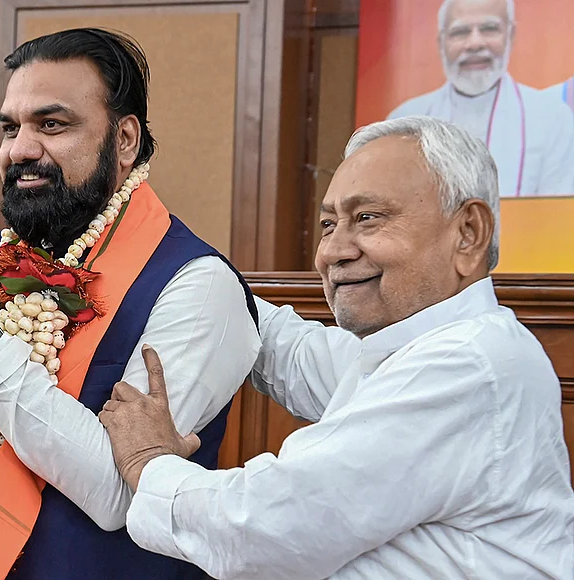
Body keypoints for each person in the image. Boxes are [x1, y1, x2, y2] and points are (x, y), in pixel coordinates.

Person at [0, 29, 260, 580]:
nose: (20, 149)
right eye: (11, 127)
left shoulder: (196, 286)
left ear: (125, 139)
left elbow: (120, 494)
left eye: (52, 124)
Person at [99, 116, 574, 579]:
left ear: (468, 233)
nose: (333, 251)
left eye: (367, 219)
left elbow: (263, 529)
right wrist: (177, 275)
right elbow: (289, 347)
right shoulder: (411, 349)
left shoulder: (468, 364)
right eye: (328, 225)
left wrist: (148, 461)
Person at [388, 0, 574, 197]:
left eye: (489, 29)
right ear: (441, 43)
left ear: (510, 35)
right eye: (460, 32)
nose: (474, 43)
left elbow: (556, 214)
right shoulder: (403, 121)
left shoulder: (553, 117)